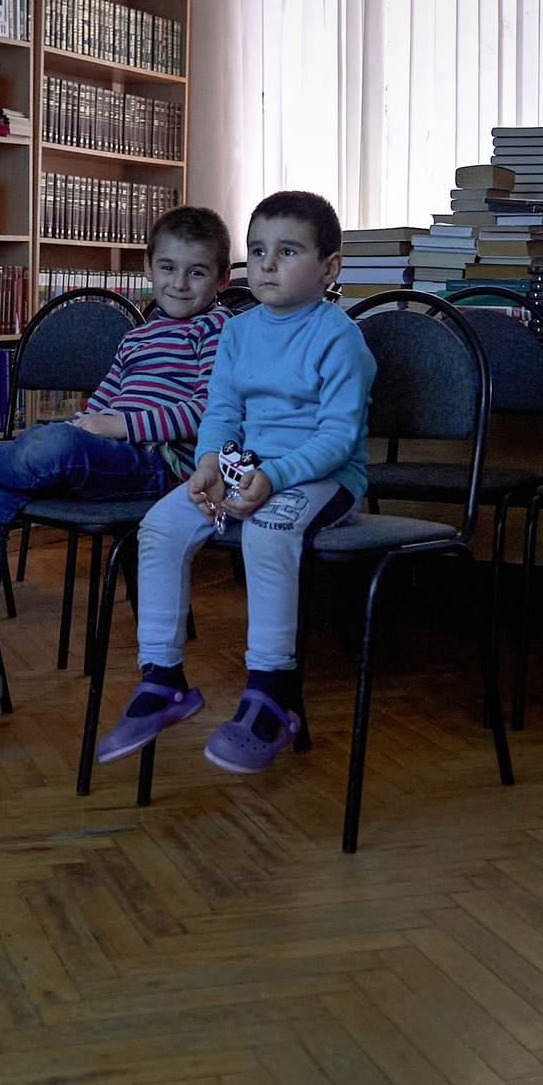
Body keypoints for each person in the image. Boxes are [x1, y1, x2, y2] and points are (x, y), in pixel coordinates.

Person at [0, 207, 232, 719]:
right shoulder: (136, 337)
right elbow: (99, 405)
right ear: (148, 267)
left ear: (222, 278)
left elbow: (208, 412)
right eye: (167, 267)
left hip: (159, 467)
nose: (179, 283)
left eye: (196, 272)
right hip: (105, 456)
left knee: (51, 447)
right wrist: (88, 424)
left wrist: (114, 428)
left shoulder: (219, 333)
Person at [96, 190, 375, 775]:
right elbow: (220, 413)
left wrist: (272, 475)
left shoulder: (339, 336)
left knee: (268, 534)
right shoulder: (239, 332)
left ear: (329, 268)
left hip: (321, 475)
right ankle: (162, 681)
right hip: (243, 465)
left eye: (288, 250)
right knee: (161, 527)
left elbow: (337, 438)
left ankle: (271, 694)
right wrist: (207, 465)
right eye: (257, 250)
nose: (267, 263)